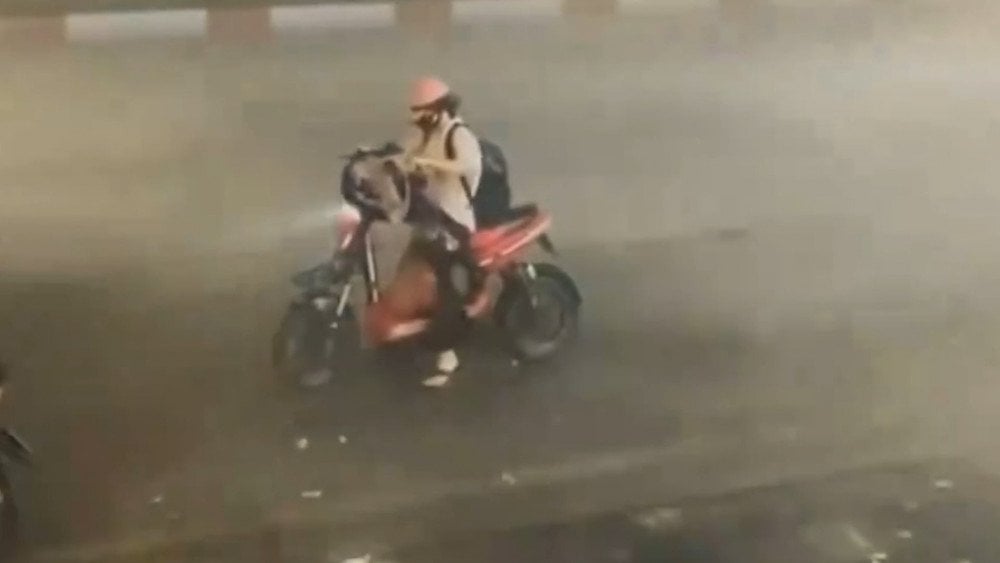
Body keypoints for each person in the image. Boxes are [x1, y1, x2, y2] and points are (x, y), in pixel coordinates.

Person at [366, 76, 485, 388]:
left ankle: (448, 354)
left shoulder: (459, 136)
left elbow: (466, 165)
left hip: (453, 224)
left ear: (437, 109)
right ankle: (402, 330)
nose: (416, 119)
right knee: (406, 273)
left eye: (420, 112)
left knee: (442, 287)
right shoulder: (424, 134)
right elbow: (403, 155)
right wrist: (383, 158)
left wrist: (428, 162)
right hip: (429, 220)